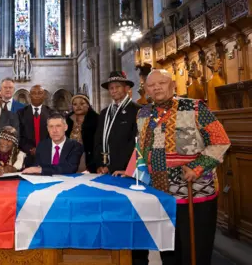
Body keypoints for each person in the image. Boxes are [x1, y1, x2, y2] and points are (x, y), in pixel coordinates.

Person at [136, 69, 230, 265]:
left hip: (194, 193)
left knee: (195, 251)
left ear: (173, 85)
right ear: (147, 90)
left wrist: (197, 167)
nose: (156, 87)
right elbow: (140, 150)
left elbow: (220, 140)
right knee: (169, 252)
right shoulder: (143, 113)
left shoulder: (195, 108)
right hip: (160, 195)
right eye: (151, 85)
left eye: (161, 83)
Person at [93, 71, 141, 175]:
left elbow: (135, 143)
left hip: (125, 169)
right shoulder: (104, 113)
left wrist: (114, 167)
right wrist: (99, 164)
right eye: (111, 88)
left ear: (127, 88)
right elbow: (97, 140)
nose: (114, 90)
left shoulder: (137, 111)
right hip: (104, 169)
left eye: (117, 87)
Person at [17, 85, 54, 167]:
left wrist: (42, 148)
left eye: (40, 93)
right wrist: (30, 149)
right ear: (29, 96)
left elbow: (55, 135)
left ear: (44, 95)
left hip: (47, 154)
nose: (37, 95)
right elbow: (19, 135)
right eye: (34, 93)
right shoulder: (21, 113)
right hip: (26, 156)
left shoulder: (52, 113)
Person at [65, 94, 99, 172]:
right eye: (75, 104)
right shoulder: (67, 120)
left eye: (82, 103)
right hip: (68, 158)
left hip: (88, 158)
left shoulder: (97, 120)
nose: (78, 106)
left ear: (88, 105)